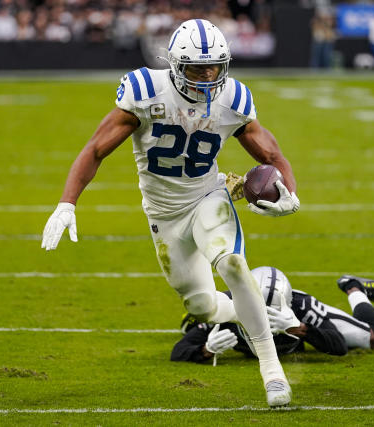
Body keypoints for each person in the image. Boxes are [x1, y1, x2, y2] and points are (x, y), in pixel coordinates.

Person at [41, 18, 300, 407]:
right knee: (202, 305)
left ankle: (272, 369)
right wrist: (67, 203)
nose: (208, 75)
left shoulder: (232, 98)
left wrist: (290, 193)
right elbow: (96, 148)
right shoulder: (146, 91)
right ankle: (263, 314)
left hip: (208, 196)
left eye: (214, 66)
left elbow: (271, 153)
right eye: (198, 67)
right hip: (163, 211)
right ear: (176, 65)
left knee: (231, 264)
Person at [172, 267, 374, 363]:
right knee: (194, 321)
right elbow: (179, 351)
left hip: (302, 322)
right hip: (222, 304)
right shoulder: (229, 308)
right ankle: (194, 316)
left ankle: (353, 286)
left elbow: (338, 346)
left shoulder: (302, 306)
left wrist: (301, 328)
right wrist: (206, 350)